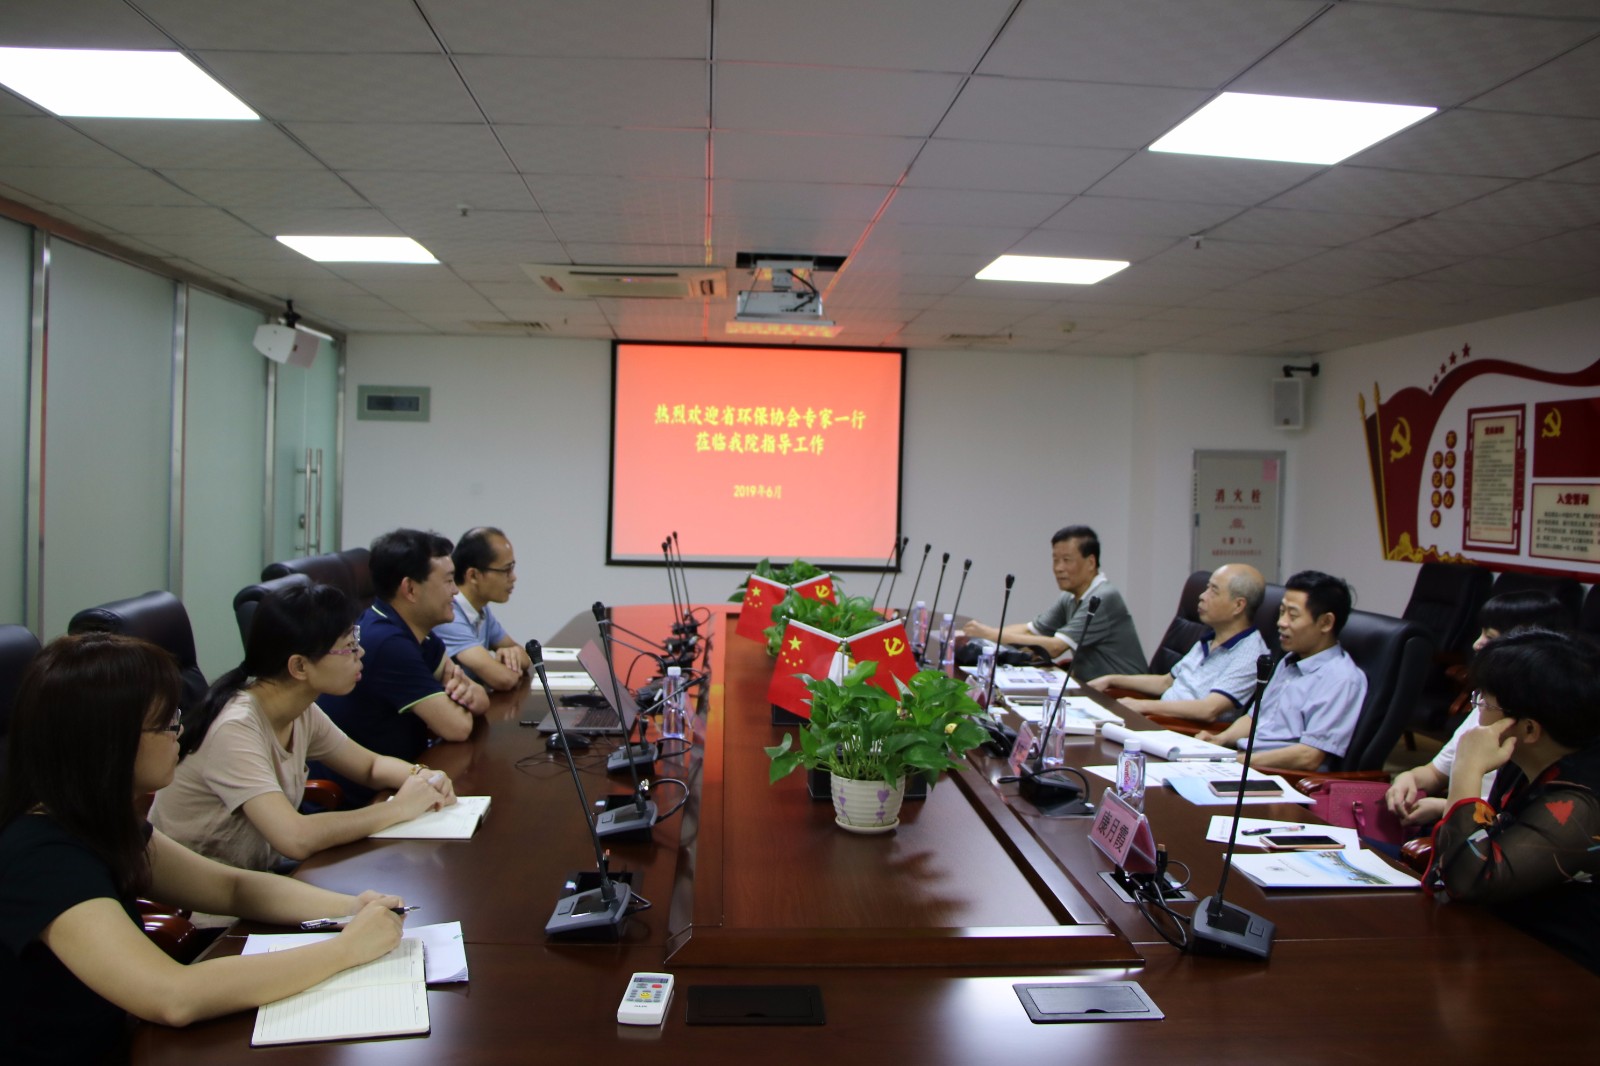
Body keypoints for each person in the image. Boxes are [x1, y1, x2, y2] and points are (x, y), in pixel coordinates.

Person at [0, 632, 410, 1064]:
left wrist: (352, 907)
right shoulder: (42, 859)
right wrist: (345, 949)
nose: (180, 732)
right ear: (108, 743)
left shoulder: (100, 822)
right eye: (165, 723)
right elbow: (172, 996)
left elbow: (231, 888)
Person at [150, 583, 457, 873]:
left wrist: (423, 777)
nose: (360, 654)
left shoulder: (300, 710)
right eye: (349, 646)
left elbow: (371, 766)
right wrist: (399, 809)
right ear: (298, 667)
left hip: (259, 880)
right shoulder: (235, 727)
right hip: (208, 915)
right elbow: (295, 838)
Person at [1427, 628, 1600, 974]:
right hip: (1499, 939)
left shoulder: (1581, 805)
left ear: (1530, 729)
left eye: (1485, 701)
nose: (1477, 713)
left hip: (1558, 976)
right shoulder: (1526, 760)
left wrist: (1467, 769)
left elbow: (1468, 881)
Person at [316, 529, 489, 805]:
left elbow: (479, 699)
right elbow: (457, 728)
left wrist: (468, 692)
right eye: (447, 581)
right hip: (363, 798)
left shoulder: (419, 632)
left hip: (401, 777)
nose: (456, 591)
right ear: (410, 589)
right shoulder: (386, 642)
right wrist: (463, 702)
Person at [1386, 590, 1575, 828]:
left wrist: (1444, 805)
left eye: (1490, 636)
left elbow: (1514, 819)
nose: (1477, 644)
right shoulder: (1487, 706)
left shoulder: (1538, 732)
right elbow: (1435, 773)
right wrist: (1408, 778)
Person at [1197, 570, 1367, 771]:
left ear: (1326, 622)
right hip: (1246, 763)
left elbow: (1309, 756)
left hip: (1280, 776)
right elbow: (1254, 718)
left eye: (1292, 615)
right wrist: (1220, 740)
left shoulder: (1342, 679)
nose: (1281, 622)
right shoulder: (1290, 660)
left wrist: (1239, 761)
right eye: (1281, 611)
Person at [1087, 563, 1268, 722]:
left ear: (1238, 605)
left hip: (1184, 730)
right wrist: (1112, 679)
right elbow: (1166, 682)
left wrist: (1143, 706)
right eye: (1207, 588)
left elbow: (1209, 710)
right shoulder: (1211, 637)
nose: (1203, 596)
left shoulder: (1251, 654)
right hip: (1159, 719)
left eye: (1214, 590)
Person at [962, 525, 1144, 681]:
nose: (1058, 568)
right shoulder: (1070, 596)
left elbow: (1055, 647)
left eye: (1066, 560)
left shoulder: (1102, 598)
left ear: (1090, 562)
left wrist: (991, 635)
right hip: (1093, 686)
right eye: (1055, 560)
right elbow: (1030, 630)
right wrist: (975, 636)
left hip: (1122, 694)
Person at [434, 526, 532, 691]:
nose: (513, 577)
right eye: (506, 570)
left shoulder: (481, 610)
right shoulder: (449, 616)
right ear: (473, 575)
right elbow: (503, 679)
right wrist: (505, 665)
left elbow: (525, 657)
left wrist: (512, 655)